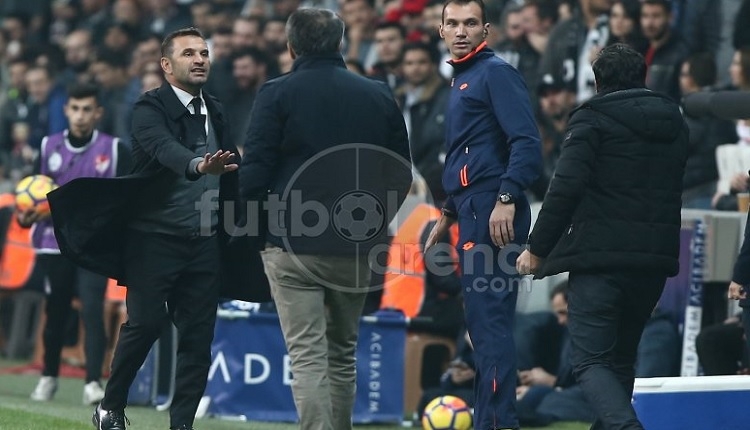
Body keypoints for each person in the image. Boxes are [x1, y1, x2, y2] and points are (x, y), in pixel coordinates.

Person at [239, 8, 411, 430]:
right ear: (341, 44)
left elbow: (254, 173)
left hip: (293, 241)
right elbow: (400, 172)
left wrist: (263, 228)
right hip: (357, 246)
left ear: (290, 46)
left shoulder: (277, 93)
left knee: (308, 356)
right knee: (342, 353)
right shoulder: (378, 94)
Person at [516, 43, 688, 430]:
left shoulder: (592, 118)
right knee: (620, 360)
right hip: (654, 259)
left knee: (590, 360)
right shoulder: (674, 120)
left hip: (600, 259)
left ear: (597, 81)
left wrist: (537, 248)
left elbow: (565, 187)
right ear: (641, 75)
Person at [424, 0, 543, 428]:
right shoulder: (463, 78)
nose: (461, 31)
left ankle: (497, 423)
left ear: (486, 29)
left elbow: (527, 142)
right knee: (481, 323)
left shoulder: (494, 73)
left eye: (470, 23)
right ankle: (488, 420)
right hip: (472, 207)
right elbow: (468, 152)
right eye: (452, 23)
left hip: (494, 209)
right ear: (440, 30)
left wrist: (507, 198)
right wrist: (449, 212)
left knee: (489, 325)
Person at [20, 82, 131, 406]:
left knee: (92, 311)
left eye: (87, 109)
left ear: (98, 113)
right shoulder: (47, 147)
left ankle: (93, 383)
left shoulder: (113, 150)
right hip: (53, 243)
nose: (80, 116)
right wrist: (27, 217)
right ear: (66, 110)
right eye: (75, 108)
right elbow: (30, 195)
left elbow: (123, 198)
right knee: (56, 313)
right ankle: (49, 377)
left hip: (92, 246)